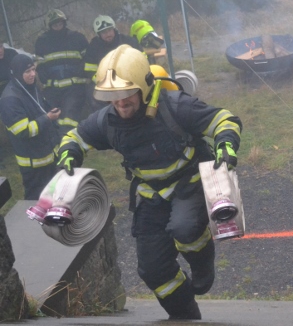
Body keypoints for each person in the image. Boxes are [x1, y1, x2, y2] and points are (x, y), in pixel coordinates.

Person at [57, 45, 242, 320]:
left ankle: (203, 265)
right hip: (151, 194)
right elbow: (75, 137)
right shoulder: (107, 121)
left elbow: (223, 120)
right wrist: (69, 153)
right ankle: (185, 316)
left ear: (144, 87)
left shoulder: (176, 107)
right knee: (153, 270)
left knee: (185, 228)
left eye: (126, 94)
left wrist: (226, 144)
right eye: (113, 97)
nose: (120, 103)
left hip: (188, 183)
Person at [0, 54, 61, 200]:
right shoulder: (10, 99)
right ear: (17, 74)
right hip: (33, 163)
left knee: (53, 196)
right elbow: (23, 131)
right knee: (35, 200)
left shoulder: (30, 87)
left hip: (48, 156)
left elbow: (40, 109)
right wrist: (48, 118)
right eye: (27, 72)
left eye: (33, 69)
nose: (33, 74)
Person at [34, 9, 89, 134]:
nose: (58, 27)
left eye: (60, 23)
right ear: (49, 26)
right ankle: (57, 139)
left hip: (75, 87)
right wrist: (41, 71)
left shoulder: (77, 38)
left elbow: (88, 58)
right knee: (50, 112)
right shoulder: (42, 42)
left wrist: (82, 69)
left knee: (70, 113)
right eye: (55, 24)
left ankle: (68, 139)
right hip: (52, 88)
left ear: (64, 23)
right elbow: (40, 62)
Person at [84, 15, 141, 112]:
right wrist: (101, 81)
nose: (108, 34)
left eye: (110, 30)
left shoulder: (127, 41)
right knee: (92, 94)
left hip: (129, 78)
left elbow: (141, 58)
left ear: (114, 29)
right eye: (104, 32)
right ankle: (106, 117)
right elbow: (90, 70)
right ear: (98, 34)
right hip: (105, 82)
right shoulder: (93, 47)